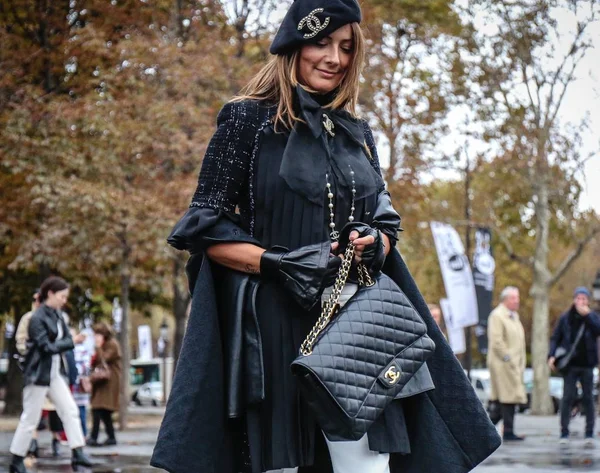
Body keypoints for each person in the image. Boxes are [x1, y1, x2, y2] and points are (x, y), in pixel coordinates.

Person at [150, 1, 501, 472]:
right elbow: (204, 230)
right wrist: (278, 263)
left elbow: (386, 222)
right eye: (321, 41)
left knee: (366, 466)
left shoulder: (359, 131)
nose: (334, 58)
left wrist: (374, 241)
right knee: (280, 463)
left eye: (346, 47)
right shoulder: (245, 121)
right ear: (293, 41)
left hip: (356, 322)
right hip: (271, 322)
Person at [9, 276, 92, 473]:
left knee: (70, 410)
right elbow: (45, 346)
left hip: (54, 374)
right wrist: (72, 341)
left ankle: (78, 451)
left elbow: (60, 341)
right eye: (62, 296)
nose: (64, 300)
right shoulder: (37, 318)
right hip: (38, 375)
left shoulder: (57, 315)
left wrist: (70, 340)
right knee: (30, 418)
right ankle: (16, 459)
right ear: (50, 294)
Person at [548, 286, 600, 446]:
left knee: (588, 398)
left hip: (587, 364)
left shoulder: (593, 317)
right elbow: (555, 337)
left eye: (584, 299)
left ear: (588, 302)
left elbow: (598, 330)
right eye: (578, 299)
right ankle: (564, 432)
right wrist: (551, 355)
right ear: (574, 300)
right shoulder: (566, 318)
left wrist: (588, 317)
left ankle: (589, 432)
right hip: (570, 365)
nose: (581, 302)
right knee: (567, 398)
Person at [487, 286, 527, 442]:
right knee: (507, 398)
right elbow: (497, 341)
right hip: (502, 365)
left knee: (503, 400)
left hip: (513, 365)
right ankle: (508, 431)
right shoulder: (497, 316)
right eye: (514, 297)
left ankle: (487, 430)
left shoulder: (514, 316)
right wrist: (508, 358)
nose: (517, 300)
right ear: (505, 299)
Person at [87, 322, 121, 447]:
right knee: (104, 410)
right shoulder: (105, 344)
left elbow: (103, 360)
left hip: (109, 381)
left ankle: (93, 437)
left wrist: (98, 347)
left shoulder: (111, 345)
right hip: (103, 381)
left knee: (97, 407)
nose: (95, 337)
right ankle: (111, 437)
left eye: (97, 334)